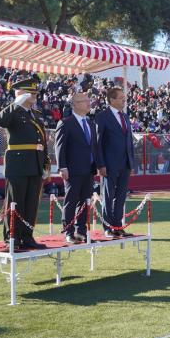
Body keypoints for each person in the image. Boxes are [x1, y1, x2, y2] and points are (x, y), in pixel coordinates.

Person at [0, 77, 49, 250]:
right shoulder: (13, 112)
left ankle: (27, 237)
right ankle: (11, 237)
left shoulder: (36, 115)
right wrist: (16, 103)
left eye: (35, 93)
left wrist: (45, 164)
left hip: (35, 163)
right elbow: (0, 121)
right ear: (19, 93)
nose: (34, 96)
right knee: (15, 202)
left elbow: (42, 142)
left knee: (31, 204)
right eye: (30, 93)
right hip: (18, 164)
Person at [55, 92, 103, 243]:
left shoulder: (90, 123)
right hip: (73, 169)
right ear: (75, 105)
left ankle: (81, 231)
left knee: (85, 201)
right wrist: (62, 167)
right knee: (71, 200)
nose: (89, 103)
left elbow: (94, 148)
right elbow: (60, 147)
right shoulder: (66, 123)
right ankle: (68, 231)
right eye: (84, 101)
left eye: (89, 100)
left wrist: (100, 166)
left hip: (88, 169)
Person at [96, 87, 136, 237]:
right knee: (108, 195)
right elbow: (98, 143)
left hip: (125, 164)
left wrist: (131, 163)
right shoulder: (102, 117)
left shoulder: (125, 117)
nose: (124, 100)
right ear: (112, 100)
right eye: (121, 98)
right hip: (109, 164)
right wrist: (101, 164)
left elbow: (129, 142)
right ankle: (107, 228)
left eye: (124, 98)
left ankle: (117, 226)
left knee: (120, 196)